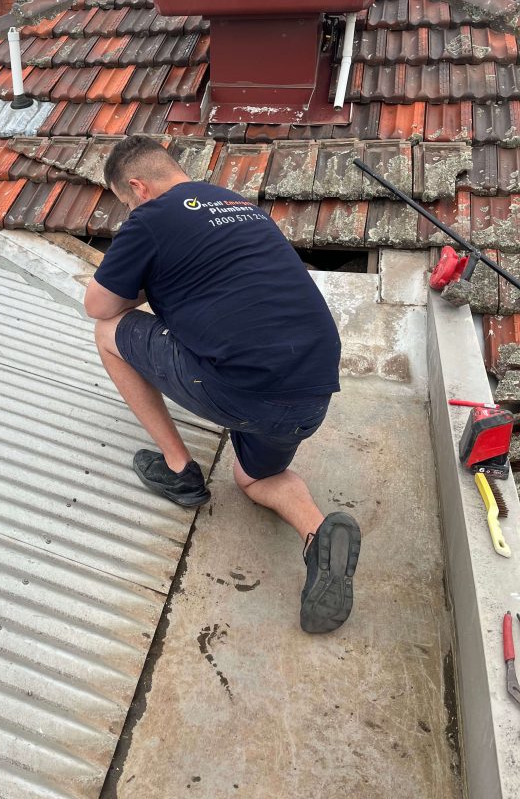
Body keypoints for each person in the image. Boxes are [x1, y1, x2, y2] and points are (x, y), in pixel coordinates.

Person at [84, 135, 360, 634]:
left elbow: (98, 305)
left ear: (137, 187)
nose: (130, 211)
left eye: (126, 203)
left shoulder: (150, 217)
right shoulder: (238, 204)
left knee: (107, 333)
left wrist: (145, 283)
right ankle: (318, 533)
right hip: (312, 396)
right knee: (253, 479)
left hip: (244, 390)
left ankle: (180, 470)